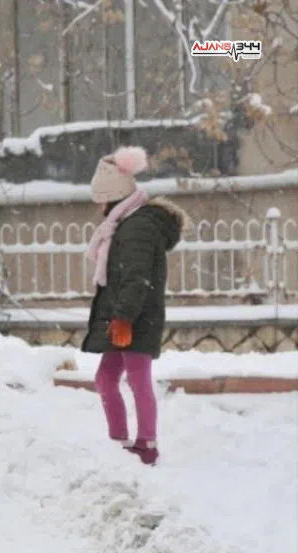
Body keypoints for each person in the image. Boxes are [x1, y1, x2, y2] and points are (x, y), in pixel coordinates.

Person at [81, 146, 187, 466]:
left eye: (100, 198)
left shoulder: (136, 227)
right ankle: (120, 442)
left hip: (135, 317)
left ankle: (146, 445)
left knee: (138, 378)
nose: (97, 206)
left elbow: (137, 278)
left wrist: (124, 318)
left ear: (111, 195)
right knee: (106, 379)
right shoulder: (124, 224)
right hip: (124, 316)